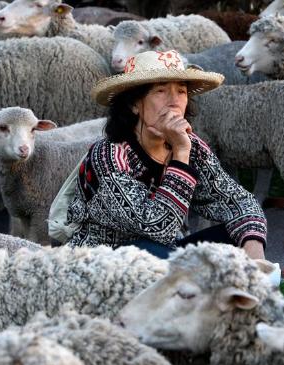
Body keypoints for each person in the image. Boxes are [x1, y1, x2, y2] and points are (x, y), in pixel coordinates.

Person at [66, 50, 267, 260]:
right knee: (149, 250)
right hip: (104, 261)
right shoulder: (108, 155)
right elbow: (158, 228)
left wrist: (256, 261)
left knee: (242, 236)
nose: (174, 102)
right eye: (161, 91)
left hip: (161, 253)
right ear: (134, 104)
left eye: (181, 91)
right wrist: (180, 153)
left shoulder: (193, 147)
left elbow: (240, 202)